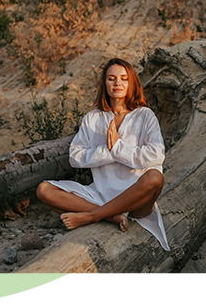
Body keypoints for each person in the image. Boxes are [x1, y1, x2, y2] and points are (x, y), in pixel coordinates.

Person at [36, 57, 169, 250]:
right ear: (104, 83)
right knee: (44, 190)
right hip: (99, 194)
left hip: (136, 198)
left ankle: (93, 216)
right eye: (111, 78)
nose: (117, 83)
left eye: (124, 78)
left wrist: (118, 149)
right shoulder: (93, 118)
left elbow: (156, 155)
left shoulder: (144, 115)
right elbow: (75, 156)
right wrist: (107, 151)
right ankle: (111, 215)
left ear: (132, 83)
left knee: (155, 177)